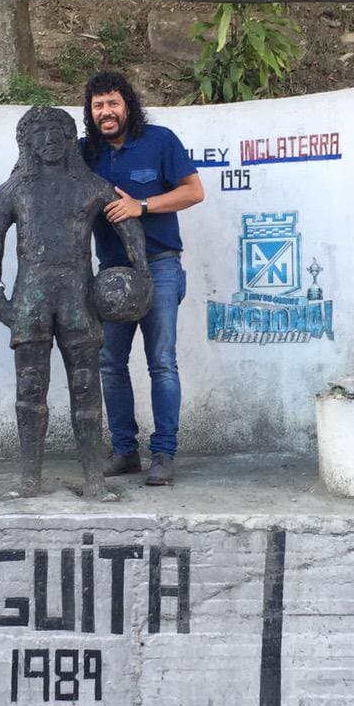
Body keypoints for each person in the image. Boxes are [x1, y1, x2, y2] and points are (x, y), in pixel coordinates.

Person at [0, 106, 148, 499]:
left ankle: (94, 478)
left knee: (87, 386)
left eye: (58, 133)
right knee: (30, 386)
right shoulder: (17, 188)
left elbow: (127, 225)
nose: (50, 141)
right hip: (30, 299)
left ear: (70, 140)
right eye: (40, 134)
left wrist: (142, 272)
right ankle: (29, 479)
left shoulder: (90, 186)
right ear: (27, 143)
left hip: (78, 297)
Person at [81, 71, 204, 486]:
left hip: (160, 268)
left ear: (128, 105)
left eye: (112, 103)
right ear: (90, 112)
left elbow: (193, 191)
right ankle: (125, 451)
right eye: (98, 106)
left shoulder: (159, 140)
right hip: (110, 275)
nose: (106, 112)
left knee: (162, 364)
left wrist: (143, 204)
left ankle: (164, 454)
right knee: (110, 364)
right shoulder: (84, 154)